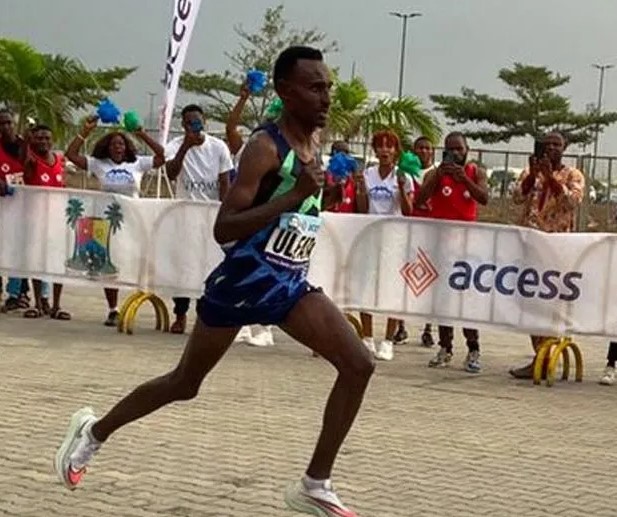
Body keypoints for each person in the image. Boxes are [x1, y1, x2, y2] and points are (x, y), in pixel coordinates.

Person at [55, 46, 373, 517]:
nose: (326, 97)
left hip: (288, 284)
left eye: (328, 86)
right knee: (184, 383)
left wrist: (310, 197)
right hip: (241, 286)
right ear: (286, 92)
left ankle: (314, 483)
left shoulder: (315, 141)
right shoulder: (266, 148)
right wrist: (296, 196)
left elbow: (298, 213)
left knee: (359, 364)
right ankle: (93, 432)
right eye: (315, 87)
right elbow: (225, 227)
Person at [65, 118, 166, 326]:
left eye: (121, 143)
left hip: (134, 219)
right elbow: (71, 155)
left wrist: (141, 134)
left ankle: (139, 298)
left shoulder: (137, 163)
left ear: (126, 147)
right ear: (107, 148)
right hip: (108, 221)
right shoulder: (99, 164)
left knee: (136, 259)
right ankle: (113, 308)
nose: (117, 147)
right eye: (113, 144)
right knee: (110, 263)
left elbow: (161, 157)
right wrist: (85, 132)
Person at [508, 131, 584, 380]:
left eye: (556, 144)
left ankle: (548, 354)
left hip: (558, 248)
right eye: (547, 144)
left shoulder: (573, 175)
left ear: (564, 148)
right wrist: (533, 175)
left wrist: (551, 178)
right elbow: (517, 197)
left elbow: (571, 202)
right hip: (530, 245)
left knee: (552, 303)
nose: (551, 148)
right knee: (530, 300)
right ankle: (538, 354)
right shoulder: (531, 171)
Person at [415, 131, 489, 373]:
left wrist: (464, 179)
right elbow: (419, 199)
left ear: (467, 150)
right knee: (443, 300)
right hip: (441, 246)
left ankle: (473, 348)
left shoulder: (475, 172)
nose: (455, 153)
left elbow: (484, 198)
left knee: (466, 301)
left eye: (459, 149)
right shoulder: (435, 174)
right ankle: (445, 347)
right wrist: (438, 176)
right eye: (450, 149)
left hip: (467, 249)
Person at [165, 104, 234, 335]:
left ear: (204, 122)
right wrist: (186, 146)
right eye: (189, 123)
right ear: (183, 125)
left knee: (209, 266)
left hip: (211, 216)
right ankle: (180, 314)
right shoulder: (175, 145)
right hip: (185, 216)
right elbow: (171, 173)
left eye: (197, 122)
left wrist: (225, 214)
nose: (194, 126)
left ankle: (204, 316)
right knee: (184, 266)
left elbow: (225, 183)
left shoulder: (218, 147)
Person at [355, 129, 414, 362]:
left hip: (394, 238)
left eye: (389, 146)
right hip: (371, 236)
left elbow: (409, 211)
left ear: (396, 151)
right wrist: (361, 188)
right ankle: (367, 337)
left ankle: (388, 340)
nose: (384, 150)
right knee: (366, 286)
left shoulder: (403, 176)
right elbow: (362, 208)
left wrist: (401, 188)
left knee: (392, 288)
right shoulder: (368, 174)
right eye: (380, 146)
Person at [22, 125, 71, 320]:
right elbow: (26, 176)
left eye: (47, 138)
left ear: (52, 140)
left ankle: (56, 305)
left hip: (57, 219)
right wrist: (27, 142)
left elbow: (64, 185)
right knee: (37, 260)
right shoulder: (31, 160)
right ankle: (38, 304)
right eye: (39, 138)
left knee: (58, 262)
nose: (43, 141)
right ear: (33, 140)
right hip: (36, 219)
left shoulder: (59, 160)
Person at [0, 109, 31, 312]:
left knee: (19, 250)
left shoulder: (26, 145)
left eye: (9, 122)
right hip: (3, 206)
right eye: (2, 123)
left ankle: (18, 293)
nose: (6, 127)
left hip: (23, 207)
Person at [411, 136, 437, 347]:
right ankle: (400, 325)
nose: (424, 151)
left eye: (427, 148)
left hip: (431, 229)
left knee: (430, 280)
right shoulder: (406, 172)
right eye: (420, 148)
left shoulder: (437, 173)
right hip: (410, 228)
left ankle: (428, 328)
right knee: (406, 276)